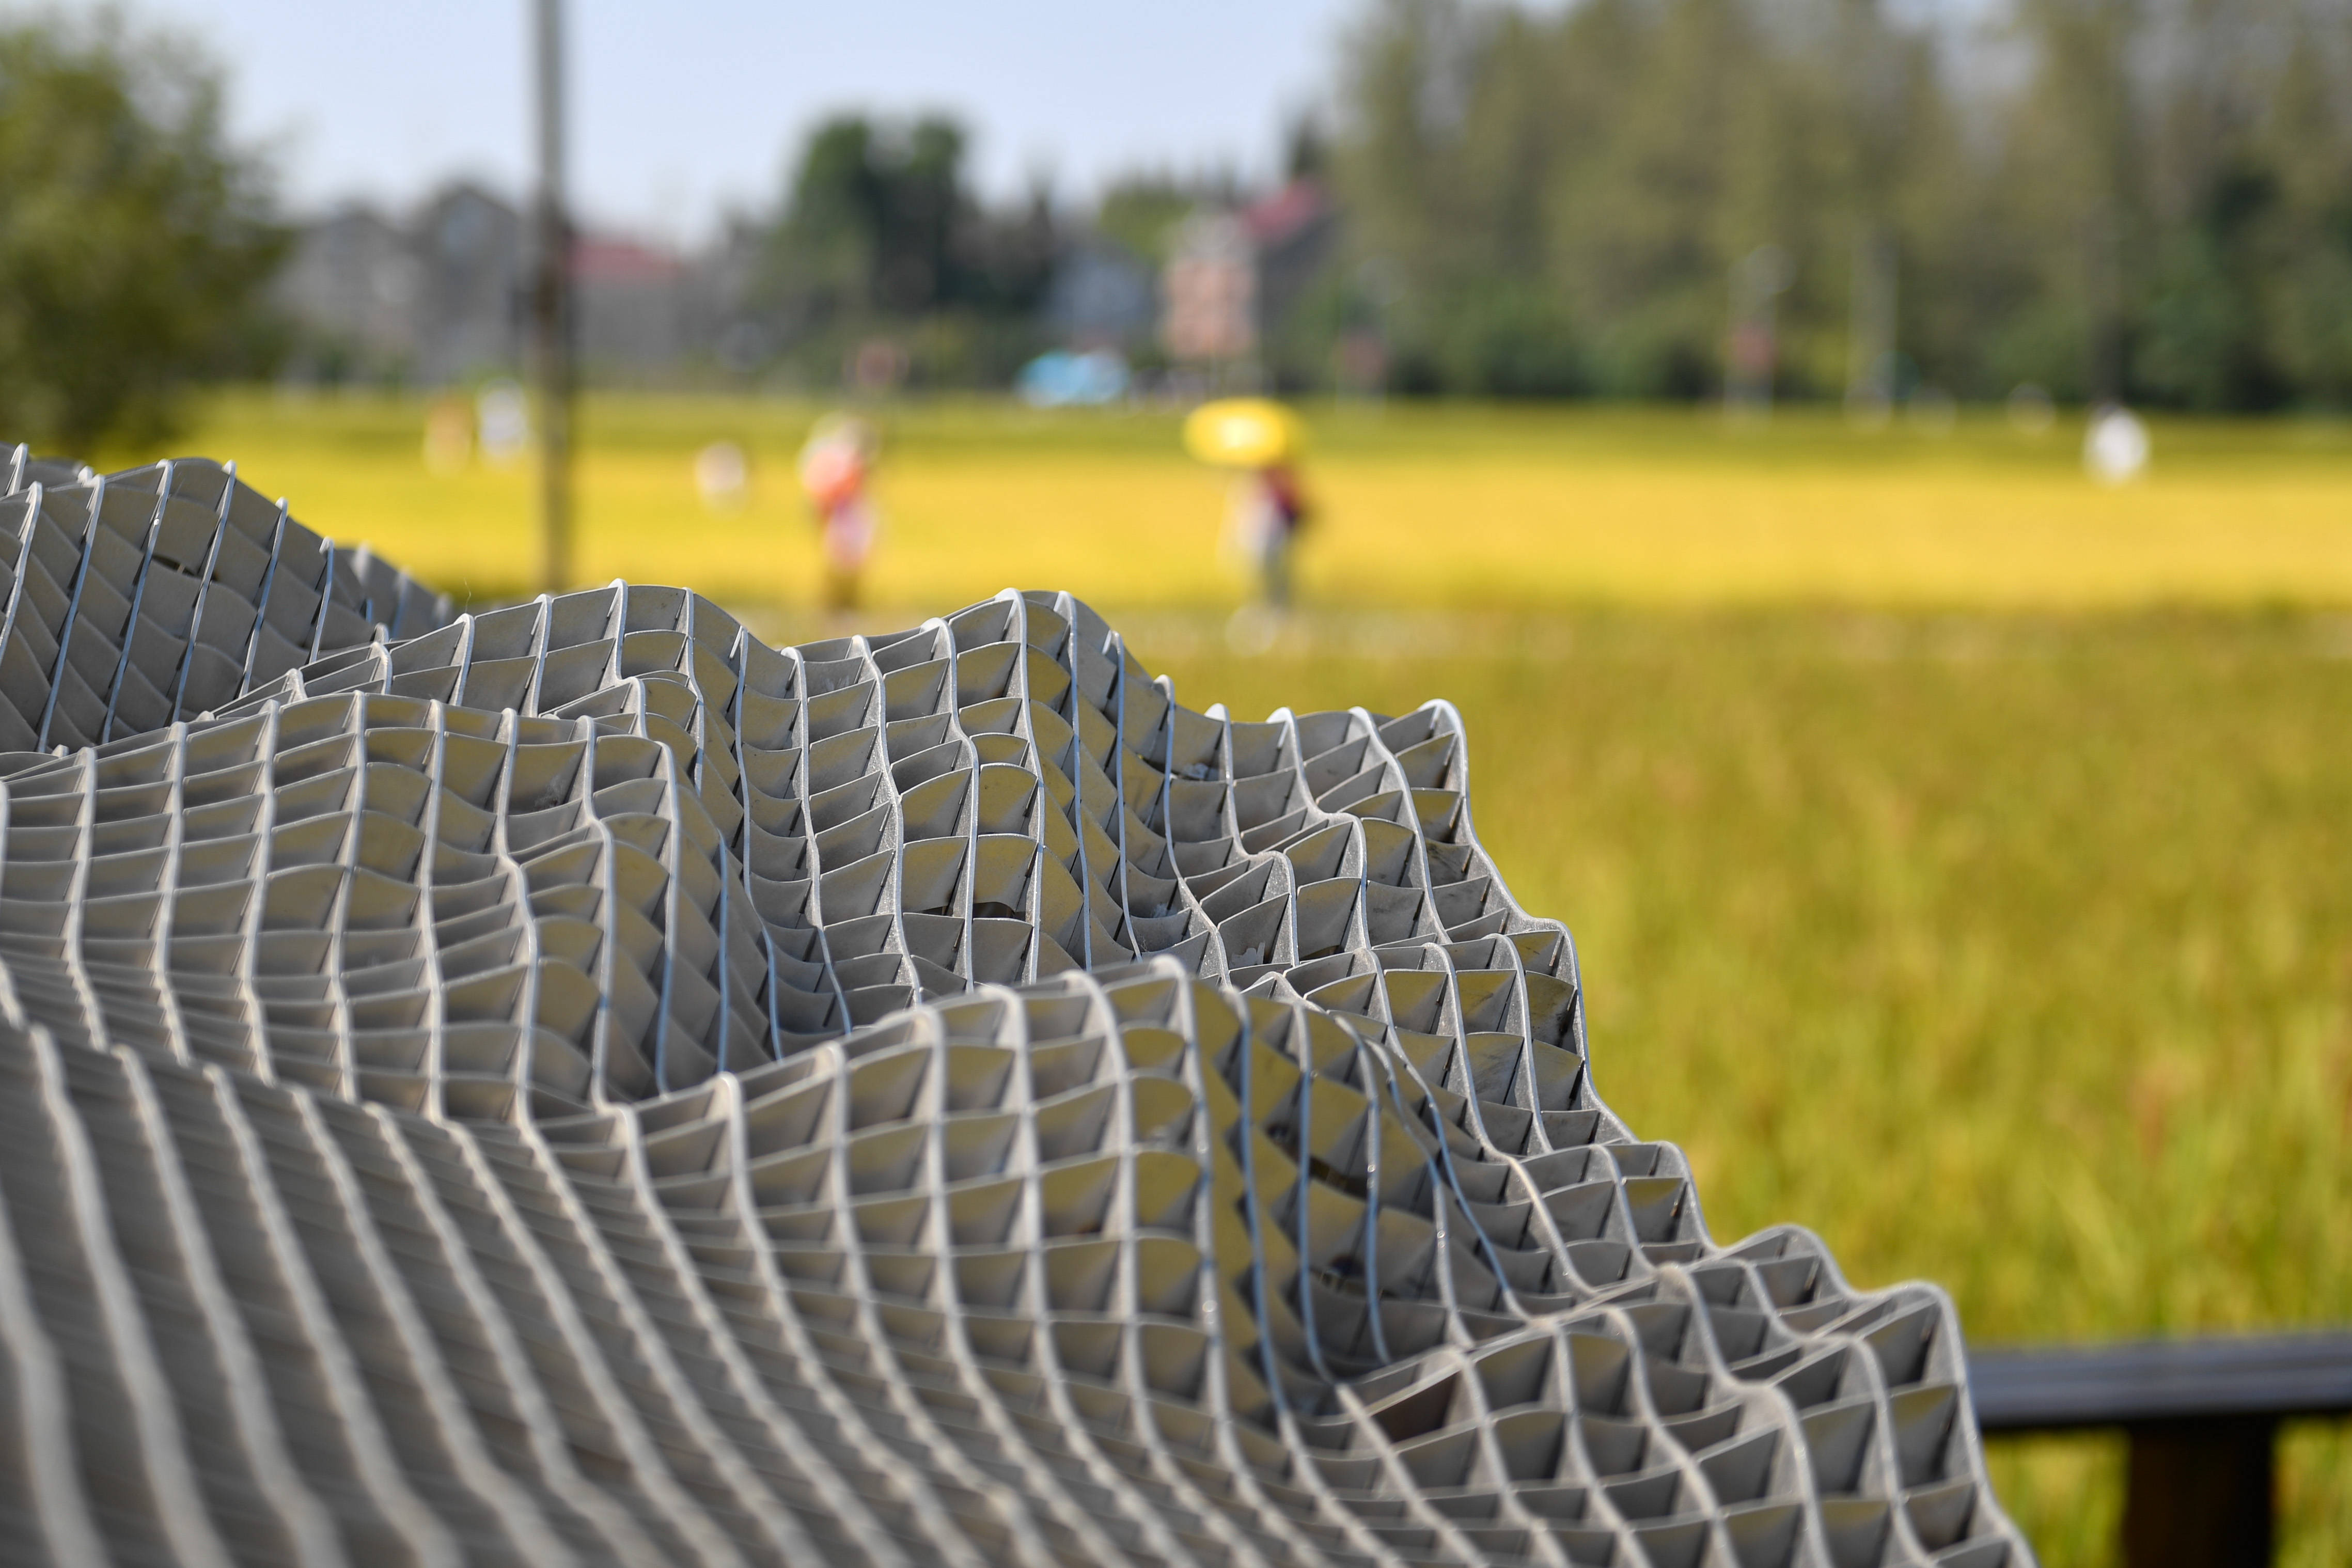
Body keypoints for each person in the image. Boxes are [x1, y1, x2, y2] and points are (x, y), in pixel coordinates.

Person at [796, 414, 880, 615]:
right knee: (841, 563)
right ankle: (839, 605)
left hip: (847, 517)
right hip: (843, 518)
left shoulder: (844, 464)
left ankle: (845, 605)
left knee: (846, 564)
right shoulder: (843, 465)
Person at [1228, 461, 1310, 610]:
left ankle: (1277, 609)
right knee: (1261, 580)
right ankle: (1264, 608)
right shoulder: (1252, 491)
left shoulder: (1279, 492)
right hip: (1259, 545)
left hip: (1274, 544)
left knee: (1276, 580)